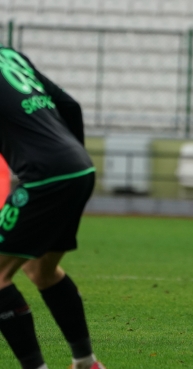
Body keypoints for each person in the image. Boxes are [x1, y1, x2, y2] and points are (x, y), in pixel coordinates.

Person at [0, 45, 105, 369]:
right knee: (41, 270)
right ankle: (86, 362)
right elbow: (69, 105)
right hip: (79, 168)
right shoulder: (9, 55)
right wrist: (71, 157)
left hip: (46, 177)